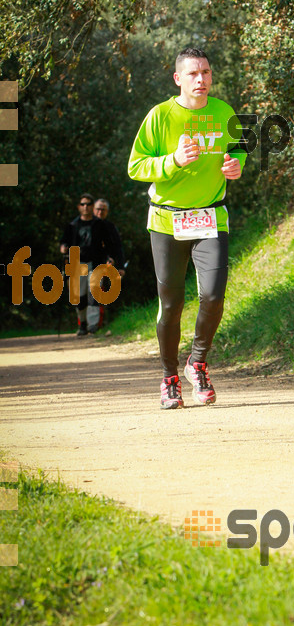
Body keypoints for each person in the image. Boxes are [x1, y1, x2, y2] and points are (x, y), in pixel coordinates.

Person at [128, 47, 246, 409]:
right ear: (178, 79)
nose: (201, 80)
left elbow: (239, 148)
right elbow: (136, 167)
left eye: (206, 73)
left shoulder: (224, 112)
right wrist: (173, 161)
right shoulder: (160, 116)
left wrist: (236, 166)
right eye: (193, 74)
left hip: (211, 217)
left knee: (212, 295)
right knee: (172, 303)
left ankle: (197, 362)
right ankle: (168, 377)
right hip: (167, 221)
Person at [60, 193, 117, 335]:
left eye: (88, 204)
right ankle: (82, 324)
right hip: (77, 263)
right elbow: (64, 241)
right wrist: (63, 248)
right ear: (79, 207)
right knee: (80, 297)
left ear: (92, 206)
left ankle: (93, 326)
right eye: (83, 204)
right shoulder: (72, 225)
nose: (86, 207)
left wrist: (110, 257)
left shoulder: (99, 225)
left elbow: (109, 243)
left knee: (94, 295)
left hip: (96, 263)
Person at [94, 198, 126, 330]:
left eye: (103, 210)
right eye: (98, 209)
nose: (100, 212)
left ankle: (100, 325)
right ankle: (85, 325)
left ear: (107, 211)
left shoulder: (110, 227)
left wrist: (120, 266)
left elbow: (117, 247)